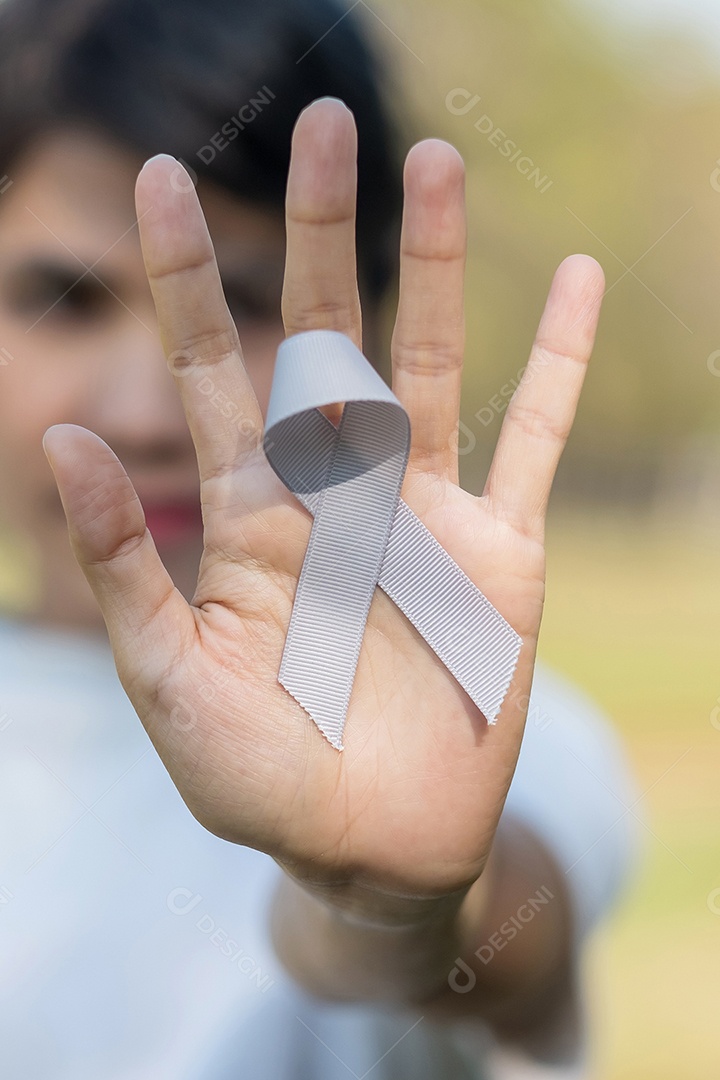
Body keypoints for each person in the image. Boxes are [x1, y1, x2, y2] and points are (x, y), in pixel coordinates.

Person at [0, 0, 639, 1076]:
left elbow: (496, 952)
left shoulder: (487, 716)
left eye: (244, 300)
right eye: (62, 301)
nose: (146, 413)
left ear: (367, 322)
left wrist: (398, 909)